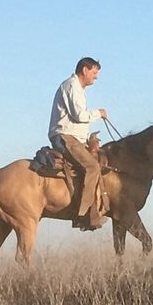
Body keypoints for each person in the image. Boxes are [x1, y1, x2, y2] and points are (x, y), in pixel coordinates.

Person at [49, 57, 110, 228]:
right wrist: (99, 113)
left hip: (73, 137)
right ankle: (83, 215)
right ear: (85, 70)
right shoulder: (71, 86)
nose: (96, 77)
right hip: (66, 137)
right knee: (92, 167)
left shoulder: (77, 88)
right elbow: (79, 115)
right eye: (94, 72)